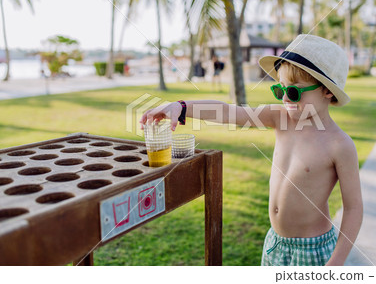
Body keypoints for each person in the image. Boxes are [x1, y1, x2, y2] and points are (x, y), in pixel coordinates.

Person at [140, 34, 363, 266]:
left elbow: (354, 208)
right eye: (280, 90)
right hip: (275, 243)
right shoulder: (280, 118)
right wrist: (180, 106)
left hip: (312, 251)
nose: (285, 98)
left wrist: (336, 261)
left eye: (294, 92)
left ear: (327, 91)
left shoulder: (339, 145)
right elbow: (228, 112)